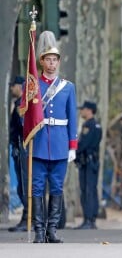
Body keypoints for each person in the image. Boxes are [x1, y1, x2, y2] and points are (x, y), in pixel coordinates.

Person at [31, 31, 78, 243]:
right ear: (41, 62)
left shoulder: (68, 87)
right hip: (39, 142)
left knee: (57, 187)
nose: (51, 64)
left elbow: (72, 117)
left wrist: (72, 145)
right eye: (48, 60)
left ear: (58, 62)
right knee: (38, 187)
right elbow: (26, 116)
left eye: (54, 60)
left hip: (59, 142)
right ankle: (39, 230)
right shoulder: (33, 86)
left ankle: (52, 230)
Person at [74, 101, 102, 229]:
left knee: (87, 190)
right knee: (90, 189)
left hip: (88, 161)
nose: (81, 111)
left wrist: (73, 151)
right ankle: (90, 218)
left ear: (89, 110)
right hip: (91, 161)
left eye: (83, 109)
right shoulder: (96, 125)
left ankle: (89, 219)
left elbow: (83, 144)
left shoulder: (89, 125)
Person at [8, 75, 28, 232]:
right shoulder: (17, 104)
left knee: (25, 185)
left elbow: (22, 128)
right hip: (17, 148)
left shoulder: (24, 105)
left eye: (13, 85)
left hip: (23, 148)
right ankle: (27, 216)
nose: (11, 89)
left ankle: (29, 217)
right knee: (22, 186)